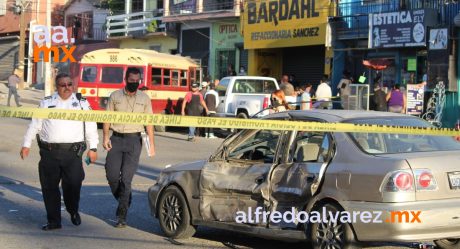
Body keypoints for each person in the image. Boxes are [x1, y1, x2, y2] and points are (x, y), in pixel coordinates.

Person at [20, 73, 99, 230]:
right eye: (63, 85)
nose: (67, 88)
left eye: (70, 84)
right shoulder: (47, 102)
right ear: (57, 87)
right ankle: (54, 221)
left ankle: (72, 209)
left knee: (73, 185)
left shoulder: (81, 103)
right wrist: (26, 144)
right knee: (49, 188)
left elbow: (91, 125)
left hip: (72, 153)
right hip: (50, 152)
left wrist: (93, 148)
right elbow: (35, 124)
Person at [103, 67, 155, 228]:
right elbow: (107, 118)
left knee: (126, 179)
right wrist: (105, 136)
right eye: (131, 81)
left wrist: (151, 143)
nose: (134, 83)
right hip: (116, 139)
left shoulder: (145, 98)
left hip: (134, 141)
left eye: (137, 81)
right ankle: (125, 197)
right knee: (112, 175)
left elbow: (149, 122)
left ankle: (122, 215)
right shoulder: (115, 96)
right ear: (125, 80)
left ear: (140, 80)